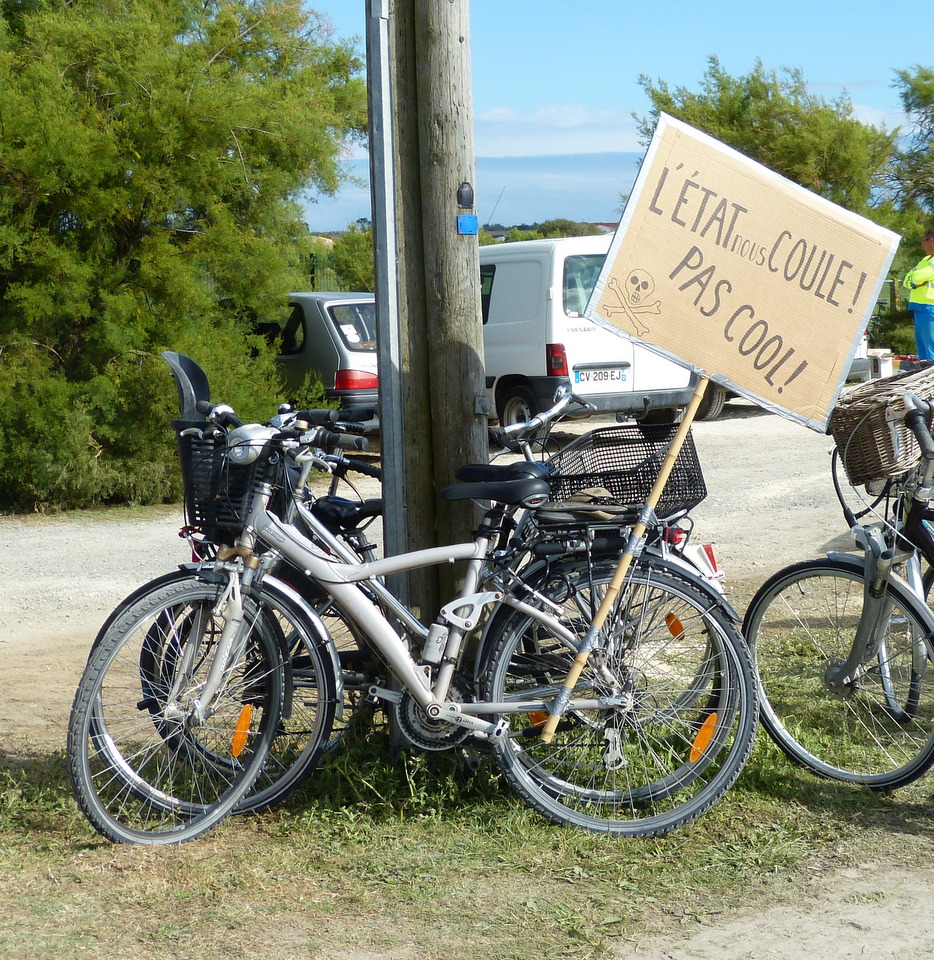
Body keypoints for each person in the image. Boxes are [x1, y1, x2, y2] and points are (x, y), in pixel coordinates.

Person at [904, 229, 934, 360]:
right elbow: (907, 280)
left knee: (931, 347)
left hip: (930, 308)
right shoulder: (926, 260)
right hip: (920, 308)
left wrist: (914, 280)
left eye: (923, 240)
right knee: (922, 349)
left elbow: (916, 276)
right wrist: (914, 282)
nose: (922, 244)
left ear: (931, 241)